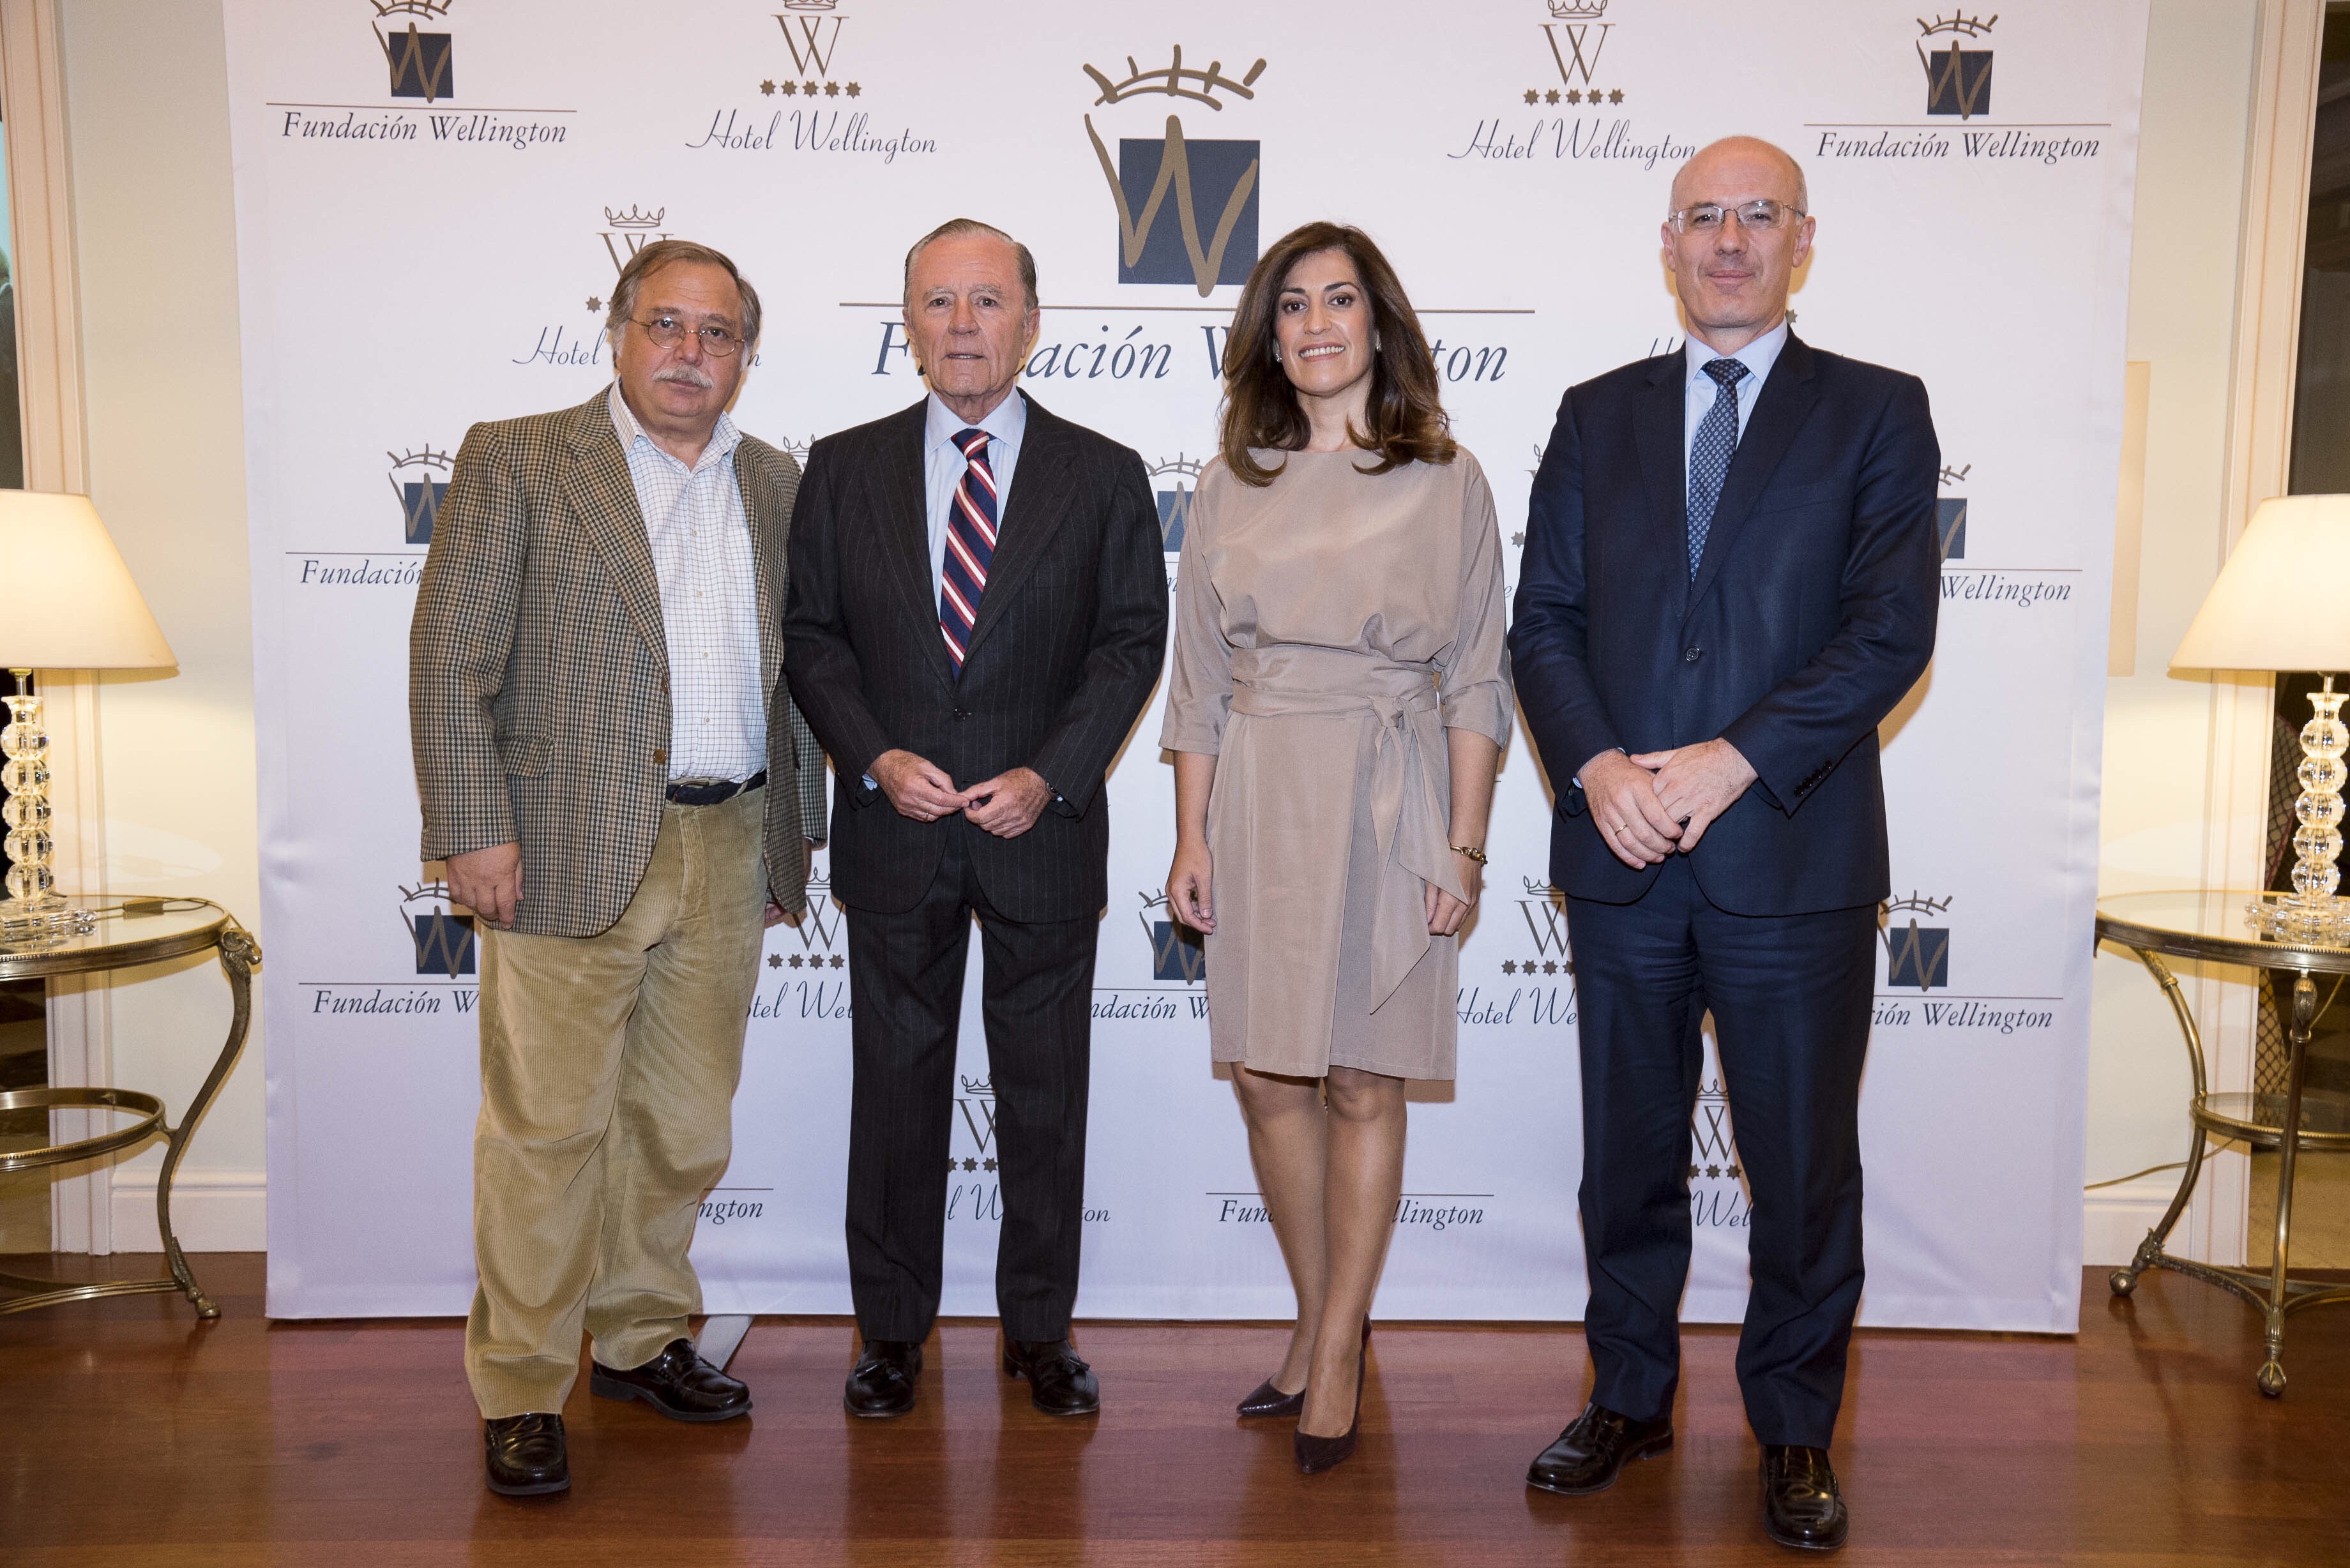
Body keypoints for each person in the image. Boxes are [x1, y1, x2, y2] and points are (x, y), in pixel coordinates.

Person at [1508, 137, 1939, 1551]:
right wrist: (1595, 767)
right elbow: (1543, 621)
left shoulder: (1877, 410)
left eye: (1759, 215)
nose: (1731, 240)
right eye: (1705, 216)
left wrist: (1731, 758)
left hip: (1792, 859)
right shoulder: (1595, 415)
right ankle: (1627, 1396)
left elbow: (1889, 631)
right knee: (1625, 1158)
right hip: (1623, 855)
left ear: (1803, 240)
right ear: (1669, 243)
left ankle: (1796, 1428)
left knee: (1800, 1167)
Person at [410, 238, 826, 1498]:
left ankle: (641, 1338)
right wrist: (471, 827)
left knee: (682, 1127)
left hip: (731, 839)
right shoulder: (519, 457)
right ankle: (522, 1382)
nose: (691, 352)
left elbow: (799, 676)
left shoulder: (779, 480)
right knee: (545, 1132)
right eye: (667, 325)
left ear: (745, 355)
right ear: (619, 331)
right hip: (559, 843)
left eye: (718, 332)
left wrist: (793, 842)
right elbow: (451, 658)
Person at [782, 218, 1166, 1421]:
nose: (962, 325)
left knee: (1045, 1097)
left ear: (1031, 323)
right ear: (907, 325)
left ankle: (1040, 1334)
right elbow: (812, 637)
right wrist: (872, 755)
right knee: (896, 1092)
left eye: (987, 301)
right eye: (939, 302)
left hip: (1039, 835)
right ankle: (891, 1335)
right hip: (895, 831)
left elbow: (1129, 643)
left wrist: (1052, 774)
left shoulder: (1104, 473)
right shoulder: (841, 468)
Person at [1161, 221, 1512, 1475]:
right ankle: (1321, 1321)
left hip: (1389, 787)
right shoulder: (1227, 482)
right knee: (1267, 1078)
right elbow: (1196, 681)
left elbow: (1478, 678)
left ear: (1380, 323)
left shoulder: (1448, 479)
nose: (1317, 323)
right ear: (1269, 337)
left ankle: (1340, 1351)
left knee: (1364, 1077)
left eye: (1341, 299)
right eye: (1293, 304)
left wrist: (1463, 846)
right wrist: (1190, 835)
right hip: (1259, 791)